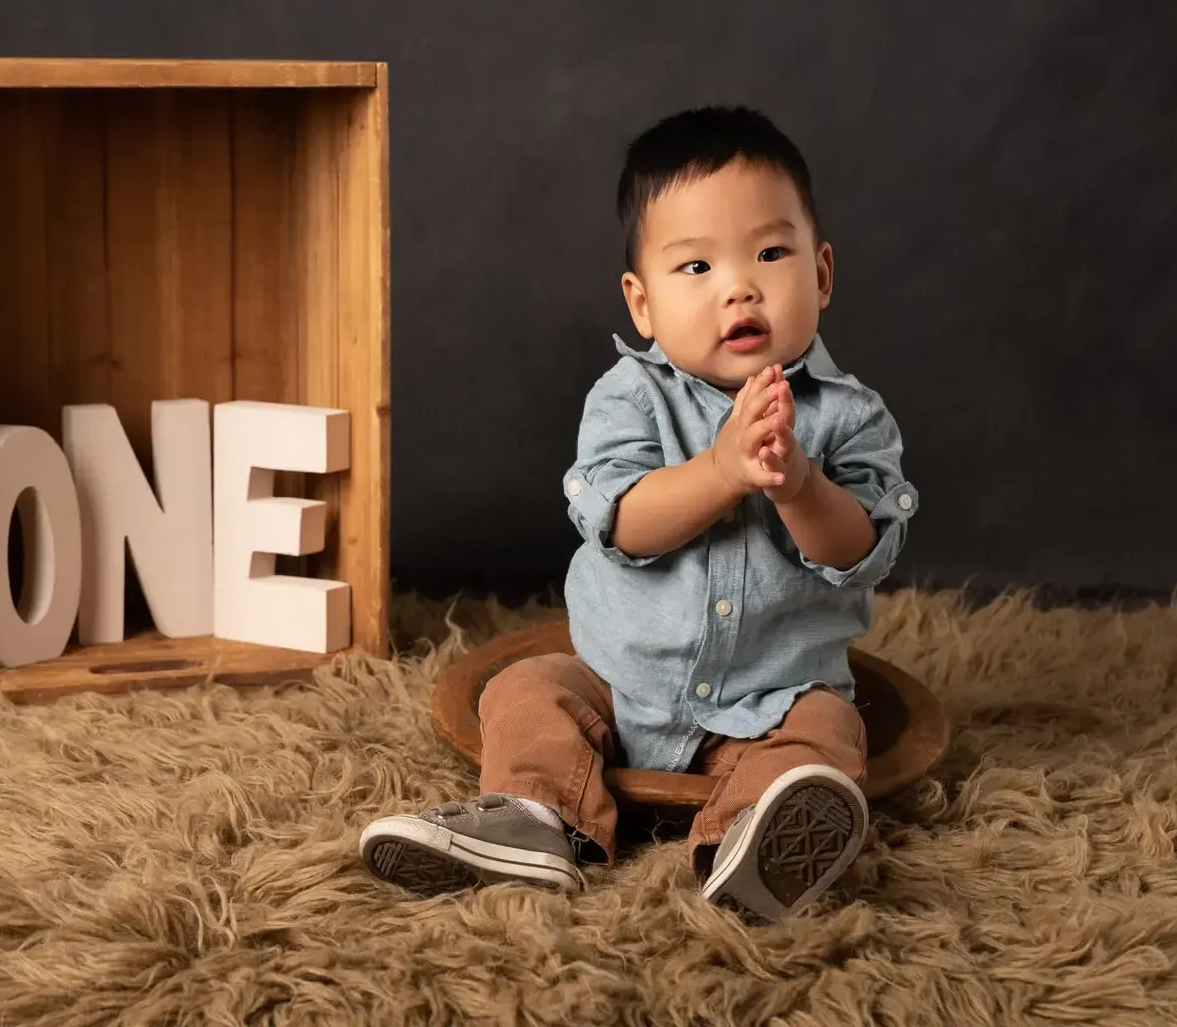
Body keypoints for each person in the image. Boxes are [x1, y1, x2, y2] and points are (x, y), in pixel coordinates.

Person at [360, 106, 919, 920]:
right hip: (619, 682)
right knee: (525, 689)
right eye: (696, 267)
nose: (739, 284)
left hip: (773, 693)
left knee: (830, 726)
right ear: (643, 302)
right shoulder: (630, 397)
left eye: (771, 252)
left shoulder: (848, 417)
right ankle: (534, 819)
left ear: (822, 275)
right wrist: (724, 470)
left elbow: (860, 546)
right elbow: (622, 521)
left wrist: (798, 483)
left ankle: (754, 841)